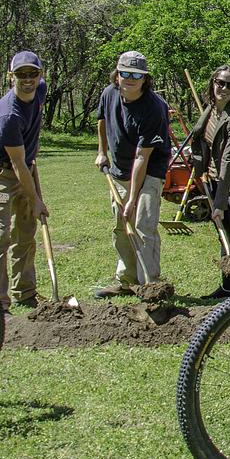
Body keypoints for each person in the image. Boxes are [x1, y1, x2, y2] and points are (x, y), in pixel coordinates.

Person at [94, 51, 172, 296]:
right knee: (121, 225)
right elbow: (102, 121)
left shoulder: (154, 108)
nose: (129, 78)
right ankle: (127, 281)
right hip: (119, 169)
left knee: (143, 224)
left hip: (149, 169)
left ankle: (150, 285)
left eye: (136, 75)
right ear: (117, 75)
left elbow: (143, 157)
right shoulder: (109, 94)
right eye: (124, 73)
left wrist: (132, 199)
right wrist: (101, 151)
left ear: (144, 79)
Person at [0, 51, 49, 311]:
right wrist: (37, 200)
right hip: (0, 173)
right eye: (21, 74)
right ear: (11, 77)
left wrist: (33, 200)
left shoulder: (39, 91)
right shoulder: (8, 115)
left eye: (33, 73)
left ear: (40, 75)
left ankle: (26, 292)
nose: (28, 79)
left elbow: (25, 165)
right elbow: (17, 165)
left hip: (25, 168)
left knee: (26, 232)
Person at [189, 65, 230, 298]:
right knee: (223, 235)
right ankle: (227, 287)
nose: (224, 88)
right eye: (220, 82)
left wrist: (219, 202)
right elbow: (203, 143)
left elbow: (229, 162)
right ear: (213, 83)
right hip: (215, 180)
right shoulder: (211, 109)